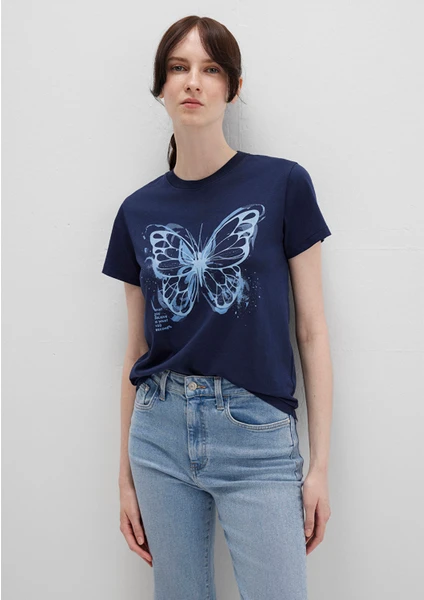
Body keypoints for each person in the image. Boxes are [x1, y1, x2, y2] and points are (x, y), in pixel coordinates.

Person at [102, 15, 333, 600]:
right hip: (157, 434)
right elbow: (134, 351)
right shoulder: (136, 212)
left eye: (209, 69)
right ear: (160, 86)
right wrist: (123, 476)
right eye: (178, 68)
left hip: (257, 434)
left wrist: (319, 468)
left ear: (232, 86)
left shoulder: (283, 184)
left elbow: (311, 331)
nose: (192, 82)